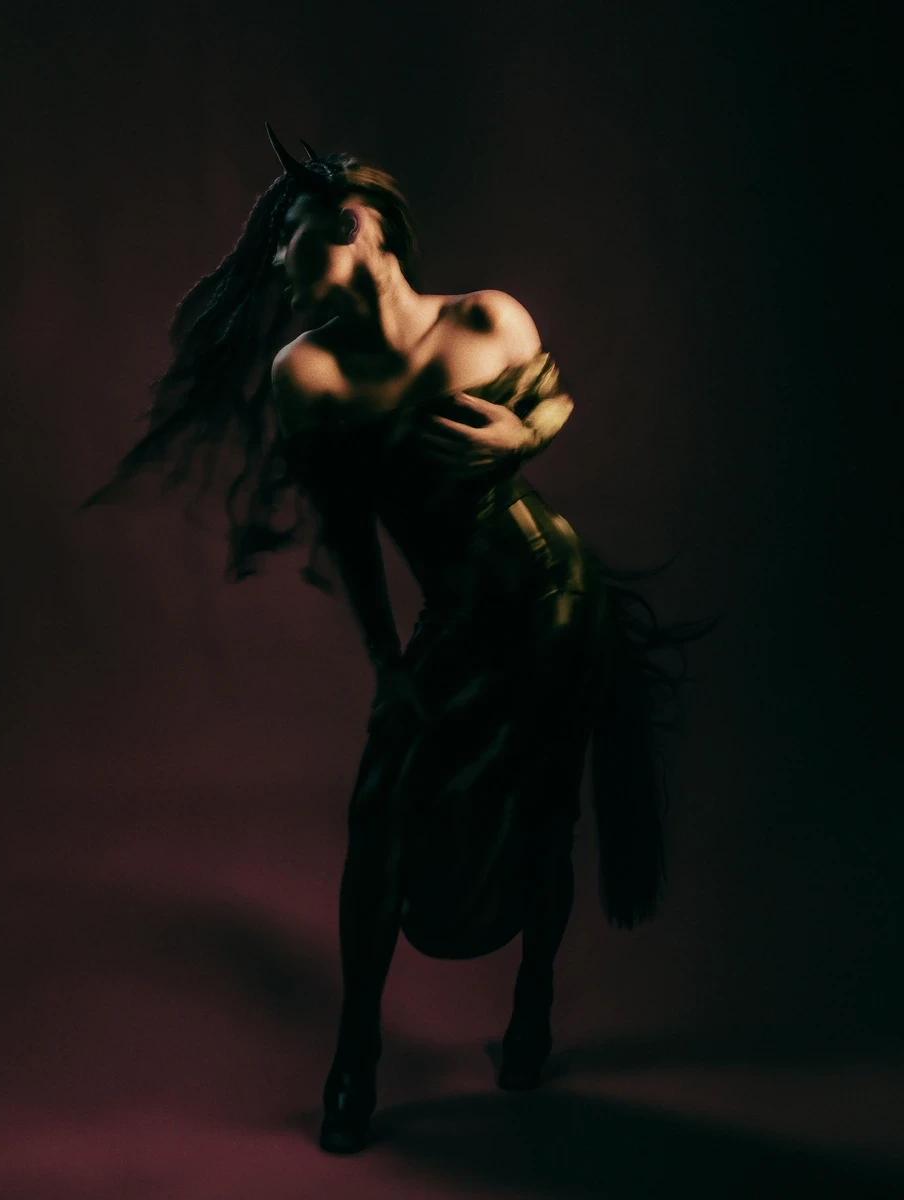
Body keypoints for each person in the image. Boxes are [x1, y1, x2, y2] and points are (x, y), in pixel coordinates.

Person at [80, 124, 716, 1154]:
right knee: (380, 813)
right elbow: (349, 535)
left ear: (357, 229)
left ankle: (531, 1015)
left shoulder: (488, 318)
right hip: (452, 617)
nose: (278, 267)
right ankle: (356, 1060)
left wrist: (529, 431)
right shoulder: (308, 375)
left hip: (552, 594)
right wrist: (387, 663)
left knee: (546, 806)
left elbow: (552, 400)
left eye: (293, 242)